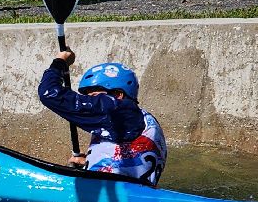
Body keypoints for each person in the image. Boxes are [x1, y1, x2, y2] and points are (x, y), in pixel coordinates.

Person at [37, 50, 167, 185]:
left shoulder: (119, 111)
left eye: (94, 96)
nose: (90, 101)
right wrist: (89, 161)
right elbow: (129, 158)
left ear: (118, 95)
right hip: (132, 195)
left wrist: (60, 61)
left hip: (118, 199)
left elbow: (49, 93)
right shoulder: (138, 119)